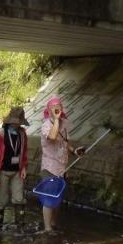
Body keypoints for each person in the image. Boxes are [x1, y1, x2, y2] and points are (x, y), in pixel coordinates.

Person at [38, 97, 85, 232]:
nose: (57, 108)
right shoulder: (46, 125)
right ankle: (47, 229)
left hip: (62, 168)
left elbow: (64, 142)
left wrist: (74, 151)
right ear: (48, 110)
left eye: (59, 106)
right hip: (49, 167)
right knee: (49, 198)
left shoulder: (64, 124)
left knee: (58, 199)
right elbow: (52, 137)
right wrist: (56, 120)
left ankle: (53, 224)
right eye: (54, 106)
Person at [0, 106, 29, 230]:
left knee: (19, 198)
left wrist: (24, 167)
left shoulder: (22, 133)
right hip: (2, 171)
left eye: (19, 121)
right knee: (1, 199)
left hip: (17, 171)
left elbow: (24, 152)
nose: (17, 124)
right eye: (15, 121)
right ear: (10, 121)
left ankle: (20, 226)